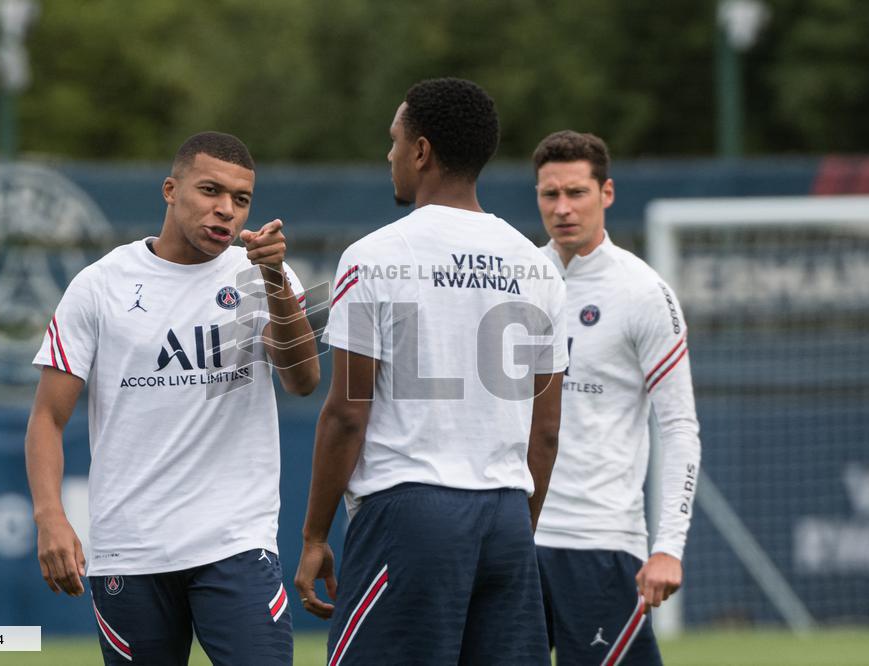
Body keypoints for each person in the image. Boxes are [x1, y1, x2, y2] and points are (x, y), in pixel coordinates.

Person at [294, 78, 568, 665]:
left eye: (394, 141)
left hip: (412, 514)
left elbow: (346, 414)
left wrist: (314, 535)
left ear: (421, 152)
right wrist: (517, 532)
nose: (389, 155)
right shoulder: (537, 265)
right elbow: (545, 430)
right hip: (506, 518)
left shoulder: (375, 255)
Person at [25, 131, 320, 665]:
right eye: (210, 191)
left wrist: (274, 278)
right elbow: (47, 416)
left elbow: (303, 380)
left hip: (235, 541)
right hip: (130, 549)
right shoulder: (99, 285)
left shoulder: (264, 277)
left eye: (241, 199)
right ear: (170, 189)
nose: (225, 210)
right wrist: (50, 516)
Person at [531, 130, 702, 665]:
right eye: (549, 194)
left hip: (600, 540)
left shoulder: (643, 292)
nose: (562, 209)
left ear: (606, 193)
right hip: (514, 535)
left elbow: (679, 426)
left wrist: (668, 546)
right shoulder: (516, 279)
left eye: (576, 193)